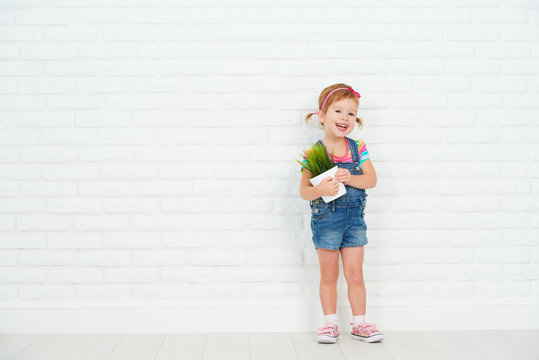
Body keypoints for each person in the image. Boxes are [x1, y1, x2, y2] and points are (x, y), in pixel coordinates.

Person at [299, 83, 384, 344]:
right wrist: (321, 188)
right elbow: (304, 191)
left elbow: (372, 180)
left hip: (354, 221)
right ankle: (329, 324)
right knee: (329, 275)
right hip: (327, 221)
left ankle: (360, 324)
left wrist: (352, 177)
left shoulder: (358, 147)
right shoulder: (315, 152)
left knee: (355, 274)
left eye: (351, 113)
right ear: (322, 116)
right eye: (338, 111)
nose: (345, 118)